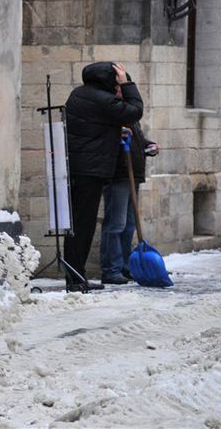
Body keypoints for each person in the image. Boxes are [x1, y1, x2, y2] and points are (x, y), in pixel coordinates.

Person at [63, 61, 143, 290]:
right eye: (116, 78)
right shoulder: (102, 98)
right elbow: (135, 111)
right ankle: (76, 278)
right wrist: (127, 84)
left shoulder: (80, 94)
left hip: (82, 165)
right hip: (90, 168)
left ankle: (76, 275)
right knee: (83, 223)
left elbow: (98, 124)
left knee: (79, 223)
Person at [100, 121, 158, 284]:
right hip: (118, 176)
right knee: (116, 225)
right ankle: (111, 270)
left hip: (133, 177)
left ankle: (125, 266)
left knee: (129, 225)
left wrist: (148, 146)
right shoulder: (111, 114)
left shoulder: (131, 117)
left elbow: (137, 142)